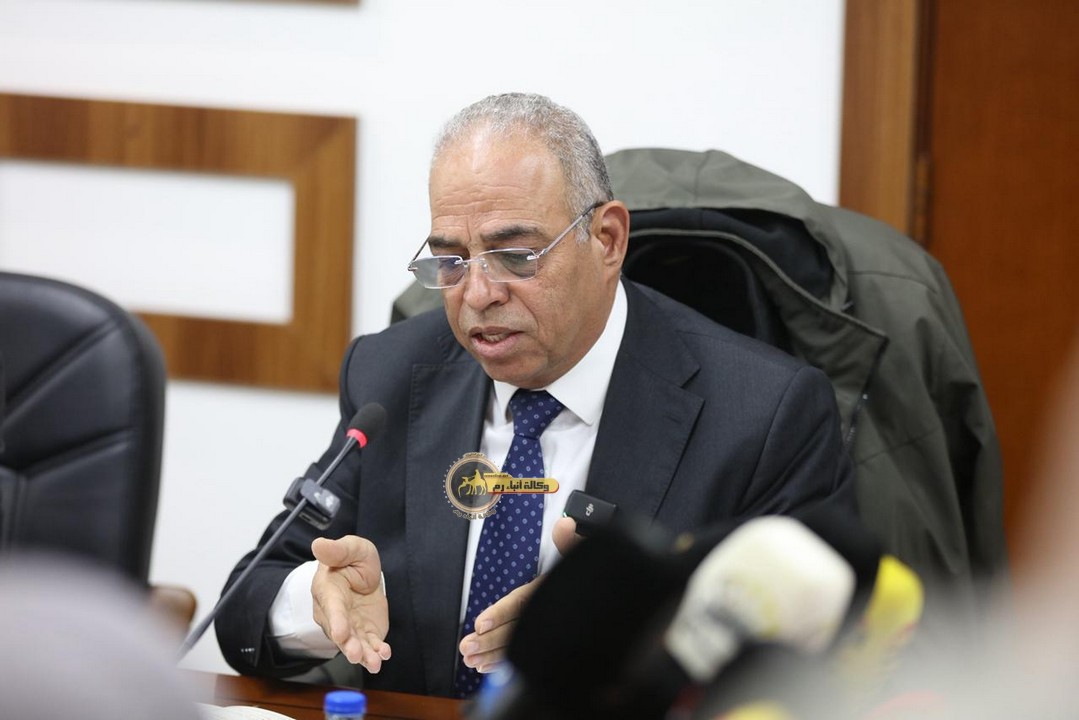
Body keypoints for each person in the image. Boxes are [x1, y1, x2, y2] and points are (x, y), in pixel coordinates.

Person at [215, 92, 856, 698]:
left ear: (607, 239)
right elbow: (246, 603)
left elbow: (815, 666)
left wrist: (630, 635)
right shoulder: (390, 375)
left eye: (515, 256)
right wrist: (316, 602)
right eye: (451, 260)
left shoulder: (763, 414)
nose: (477, 294)